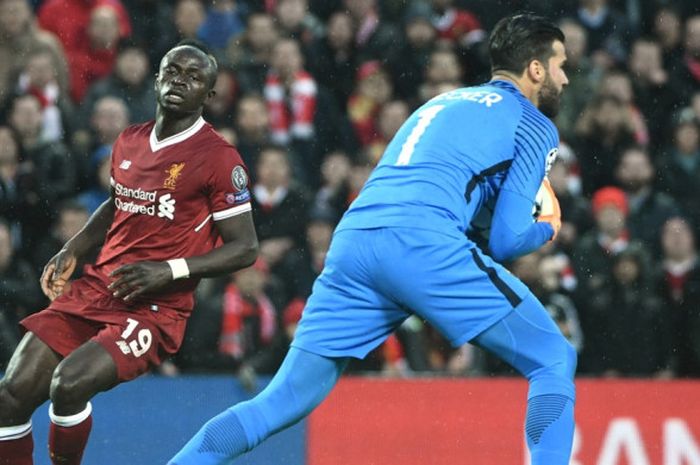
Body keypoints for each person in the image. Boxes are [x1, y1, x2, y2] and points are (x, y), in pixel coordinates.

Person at [170, 13, 575, 465]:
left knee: (281, 400)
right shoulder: (534, 123)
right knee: (553, 358)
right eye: (561, 65)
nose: (565, 77)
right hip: (421, 243)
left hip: (355, 240)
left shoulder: (443, 103)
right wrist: (548, 226)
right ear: (536, 69)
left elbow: (449, 184)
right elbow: (505, 240)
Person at [0, 39, 258, 465]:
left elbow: (245, 248)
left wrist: (170, 270)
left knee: (67, 384)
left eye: (194, 77)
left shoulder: (218, 158)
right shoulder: (131, 140)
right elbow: (121, 200)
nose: (181, 81)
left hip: (154, 308)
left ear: (208, 96)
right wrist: (75, 246)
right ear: (157, 79)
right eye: (173, 71)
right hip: (99, 287)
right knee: (11, 394)